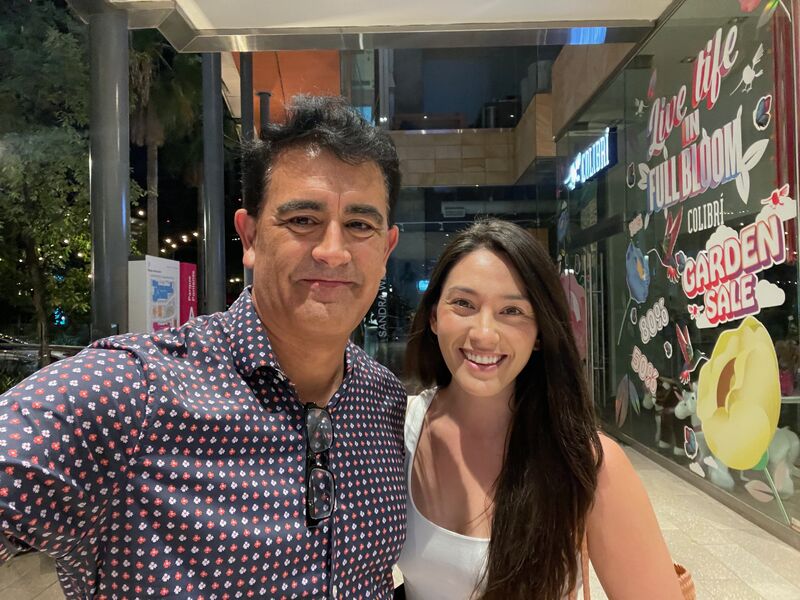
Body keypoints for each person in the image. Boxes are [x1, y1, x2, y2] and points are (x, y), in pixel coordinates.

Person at [0, 96, 406, 599]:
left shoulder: (382, 400)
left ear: (386, 249)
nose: (332, 251)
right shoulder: (129, 392)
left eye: (360, 226)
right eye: (303, 219)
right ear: (250, 237)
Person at [397, 219, 684, 600]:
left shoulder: (587, 462)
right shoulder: (397, 432)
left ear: (539, 334)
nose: (483, 334)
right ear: (434, 316)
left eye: (512, 310)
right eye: (463, 304)